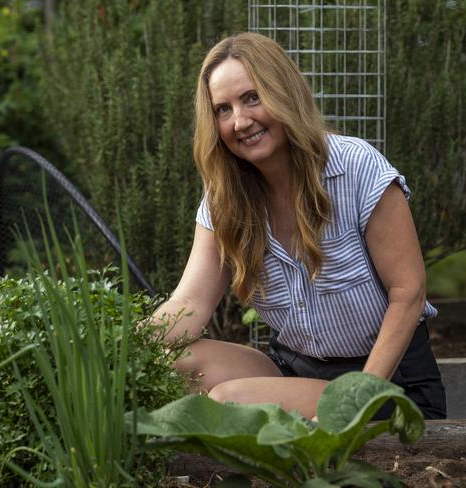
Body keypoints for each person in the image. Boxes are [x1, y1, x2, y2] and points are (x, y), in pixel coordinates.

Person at [150, 32, 446, 420]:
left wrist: (356, 400)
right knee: (171, 365)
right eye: (223, 109)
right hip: (293, 371)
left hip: (387, 383)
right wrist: (117, 351)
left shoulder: (357, 169)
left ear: (283, 92)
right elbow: (188, 304)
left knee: (230, 400)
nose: (240, 121)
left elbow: (408, 293)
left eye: (252, 97)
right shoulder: (226, 198)